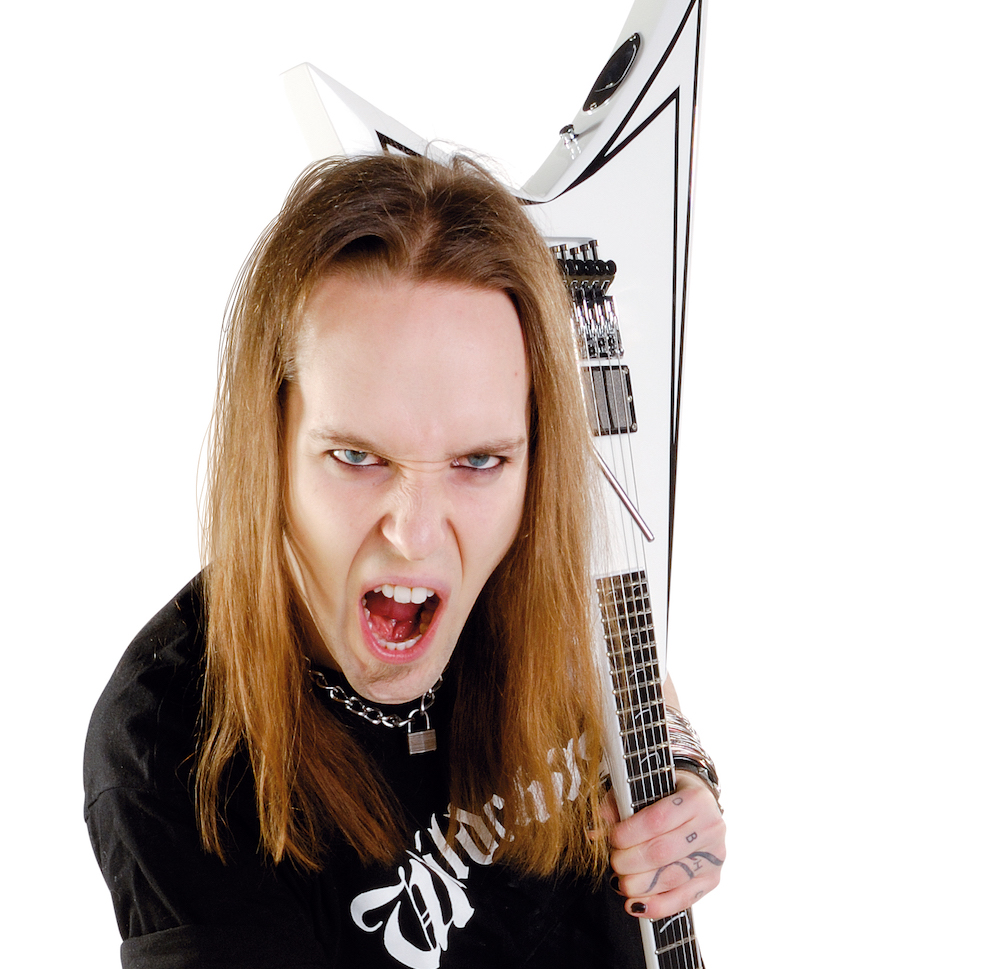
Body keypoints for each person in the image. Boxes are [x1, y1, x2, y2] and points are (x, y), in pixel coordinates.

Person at [84, 153, 725, 969]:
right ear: (270, 445)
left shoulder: (531, 558)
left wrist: (681, 776)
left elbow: (632, 681)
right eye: (356, 456)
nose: (416, 534)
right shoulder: (169, 742)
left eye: (479, 461)